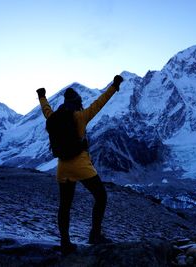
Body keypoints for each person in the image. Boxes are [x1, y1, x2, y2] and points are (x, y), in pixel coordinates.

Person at [36, 75, 124, 255]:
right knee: (101, 196)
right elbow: (99, 104)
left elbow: (46, 110)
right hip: (81, 165)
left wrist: (41, 96)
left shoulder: (54, 117)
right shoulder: (81, 116)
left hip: (62, 167)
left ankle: (65, 243)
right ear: (77, 102)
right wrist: (114, 86)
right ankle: (95, 235)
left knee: (65, 206)